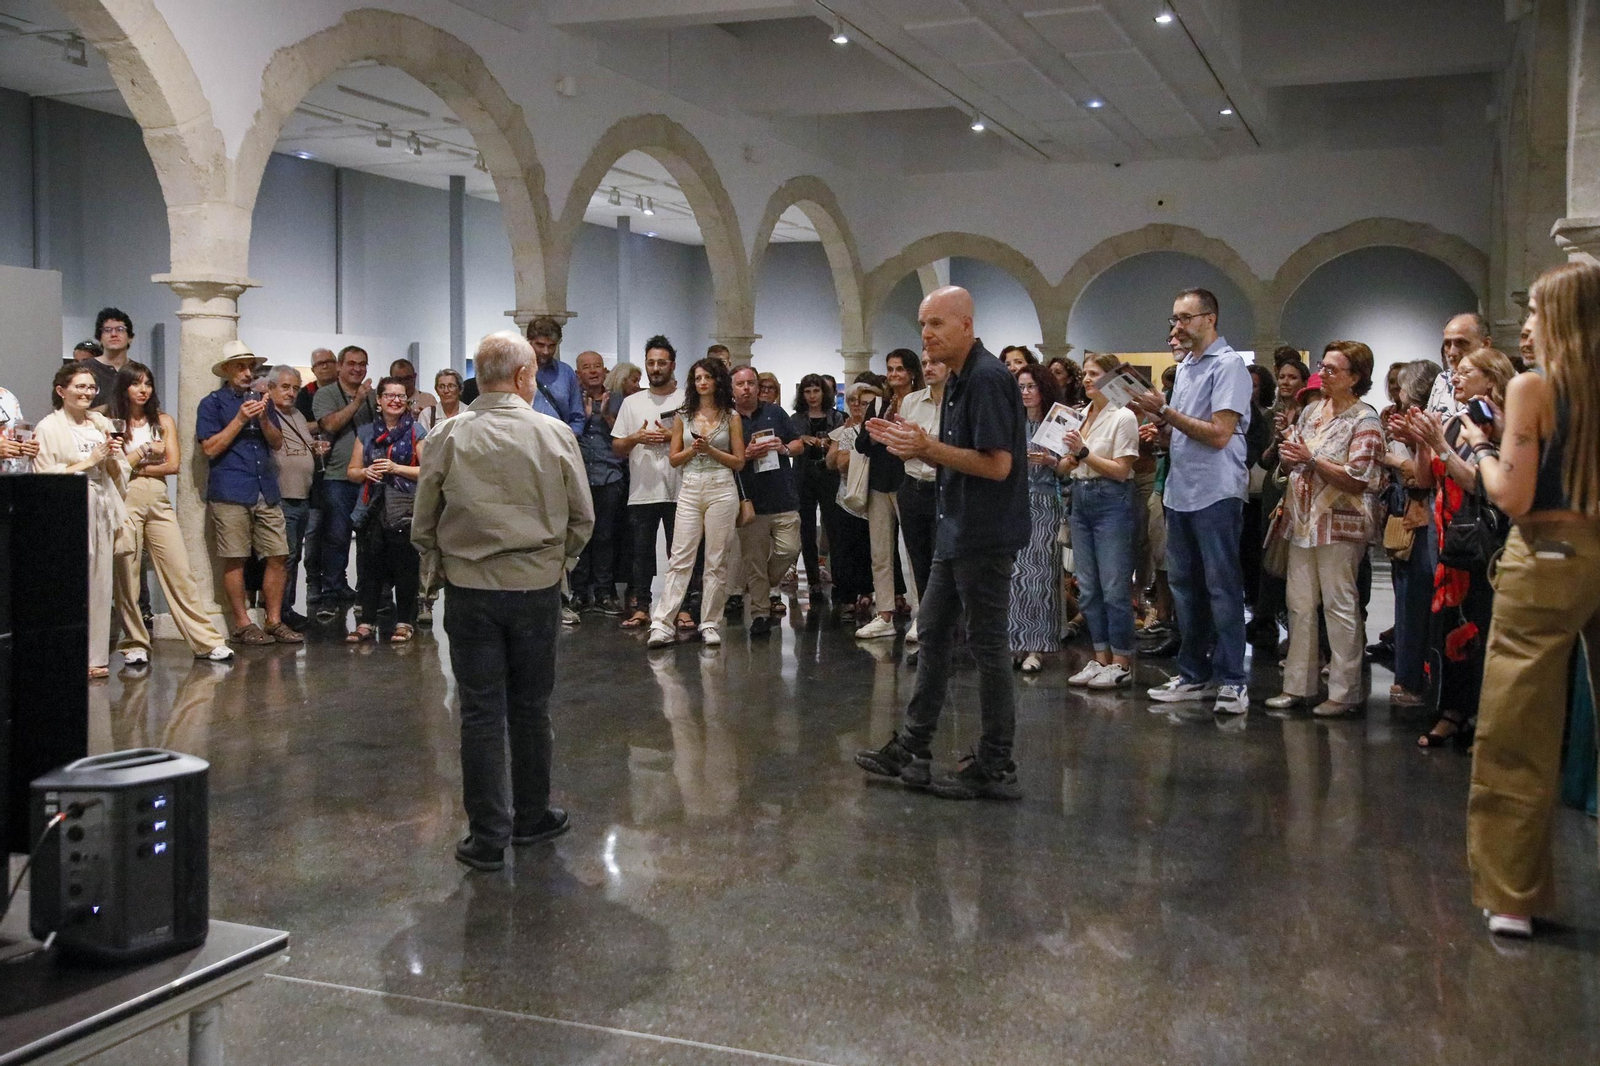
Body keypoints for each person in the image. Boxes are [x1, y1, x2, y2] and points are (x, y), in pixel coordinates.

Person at [412, 330, 593, 872]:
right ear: (522, 377)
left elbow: (424, 519)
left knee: (481, 712)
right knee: (531, 707)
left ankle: (488, 834)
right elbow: (582, 517)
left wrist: (441, 564)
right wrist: (558, 563)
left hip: (470, 592)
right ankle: (532, 815)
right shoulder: (554, 433)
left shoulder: (446, 435)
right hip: (535, 588)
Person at [1461, 261, 1600, 939]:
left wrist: (1484, 452)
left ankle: (1512, 894)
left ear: (1565, 319)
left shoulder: (1533, 389)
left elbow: (1512, 496)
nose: (1529, 326)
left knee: (1519, 728)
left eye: (1539, 313)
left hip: (1546, 557)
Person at [855, 285, 1029, 801]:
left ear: (966, 325)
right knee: (931, 633)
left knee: (988, 646)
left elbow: (998, 465)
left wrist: (928, 447)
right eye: (922, 324)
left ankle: (997, 764)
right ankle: (913, 746)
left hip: (984, 532)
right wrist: (917, 446)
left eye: (936, 324)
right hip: (957, 529)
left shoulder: (988, 379)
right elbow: (960, 454)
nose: (926, 336)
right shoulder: (956, 380)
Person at [1130, 288, 1254, 716]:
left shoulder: (1230, 365)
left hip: (1216, 492)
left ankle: (1234, 680)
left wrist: (1165, 414)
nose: (1176, 326)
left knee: (1222, 588)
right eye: (1174, 318)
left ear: (1210, 319)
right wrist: (1161, 435)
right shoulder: (1185, 368)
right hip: (1181, 491)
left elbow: (1219, 434)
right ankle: (1194, 673)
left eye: (1185, 318)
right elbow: (1188, 430)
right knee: (1185, 587)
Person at [1398, 347, 1517, 748]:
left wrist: (1442, 446)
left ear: (1492, 378)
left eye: (1467, 372)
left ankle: (1480, 716)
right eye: (1456, 373)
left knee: (1479, 628)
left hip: (1484, 542)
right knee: (1448, 627)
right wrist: (1420, 443)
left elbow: (1480, 484)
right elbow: (1423, 478)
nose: (1456, 377)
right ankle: (1450, 711)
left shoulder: (1500, 426)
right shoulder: (1452, 424)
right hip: (1449, 541)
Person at [1264, 341, 1385, 717]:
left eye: (1333, 369)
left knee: (1340, 605)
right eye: (1323, 366)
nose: (1324, 373)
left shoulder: (1365, 420)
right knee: (1299, 605)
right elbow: (1294, 458)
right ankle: (1298, 685)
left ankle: (1344, 691)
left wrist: (1311, 459)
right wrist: (1289, 456)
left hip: (1340, 525)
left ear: (1355, 377)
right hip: (1301, 522)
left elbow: (1360, 478)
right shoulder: (1313, 411)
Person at [108, 362, 232, 664]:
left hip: (158, 497)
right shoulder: (111, 422)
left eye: (147, 383)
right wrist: (143, 456)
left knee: (180, 571)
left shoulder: (163, 420)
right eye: (136, 383)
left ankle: (206, 641)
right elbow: (111, 466)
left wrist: (135, 463)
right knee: (128, 573)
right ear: (124, 387)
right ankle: (135, 642)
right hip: (124, 498)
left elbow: (173, 465)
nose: (143, 389)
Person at [197, 340, 303, 647]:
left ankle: (273, 620)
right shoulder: (212, 403)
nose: (247, 373)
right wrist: (240, 419)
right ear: (227, 370)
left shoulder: (263, 400)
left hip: (265, 488)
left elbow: (277, 442)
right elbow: (210, 448)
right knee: (235, 557)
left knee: (279, 554)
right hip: (231, 489)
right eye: (241, 367)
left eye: (250, 367)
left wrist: (264, 418)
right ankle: (242, 623)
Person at [34, 363, 128, 679]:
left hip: (101, 503)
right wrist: (90, 460)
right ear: (62, 391)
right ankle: (67, 652)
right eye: (79, 386)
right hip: (70, 507)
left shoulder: (100, 423)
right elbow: (44, 474)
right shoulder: (48, 427)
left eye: (91, 387)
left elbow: (118, 467)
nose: (87, 393)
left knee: (102, 581)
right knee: (73, 579)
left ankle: (95, 656)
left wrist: (114, 455)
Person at [647, 358, 745, 648]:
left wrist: (711, 449)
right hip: (690, 487)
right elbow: (674, 459)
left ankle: (710, 621)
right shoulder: (683, 416)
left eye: (707, 377)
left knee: (716, 559)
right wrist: (694, 449)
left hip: (721, 487)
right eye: (698, 378)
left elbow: (739, 462)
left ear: (717, 381)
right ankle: (662, 622)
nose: (702, 382)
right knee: (680, 558)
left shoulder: (731, 417)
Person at [1062, 353, 1142, 687]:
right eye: (1085, 373)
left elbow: (1121, 471)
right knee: (1089, 586)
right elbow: (1068, 466)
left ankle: (1121, 659)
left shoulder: (1123, 417)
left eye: (1095, 373)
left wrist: (1083, 453)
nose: (1087, 379)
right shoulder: (1078, 416)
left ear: (1112, 379)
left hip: (1111, 499)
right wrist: (1060, 460)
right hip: (1080, 497)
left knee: (1113, 586)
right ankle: (1100, 656)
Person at [346, 377, 426, 643]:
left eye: (401, 397)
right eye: (389, 396)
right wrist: (365, 471)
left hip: (404, 506)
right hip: (372, 507)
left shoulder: (416, 431)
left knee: (406, 567)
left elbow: (428, 470)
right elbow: (351, 472)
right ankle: (366, 622)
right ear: (378, 401)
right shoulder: (366, 432)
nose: (395, 401)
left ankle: (404, 621)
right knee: (370, 567)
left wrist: (395, 468)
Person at [613, 337, 685, 629]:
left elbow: (698, 440)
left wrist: (672, 438)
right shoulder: (632, 403)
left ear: (672, 366)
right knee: (640, 553)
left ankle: (680, 608)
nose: (655, 368)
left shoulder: (685, 400)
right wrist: (636, 438)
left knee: (678, 553)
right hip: (642, 490)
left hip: (679, 488)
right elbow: (618, 446)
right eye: (651, 363)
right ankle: (641, 606)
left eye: (661, 363)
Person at [1381, 360, 1441, 708]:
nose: (1396, 392)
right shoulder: (1400, 421)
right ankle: (1409, 676)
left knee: (1419, 596)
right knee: (1406, 596)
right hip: (1405, 510)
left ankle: (1417, 680)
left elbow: (1420, 475)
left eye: (1400, 385)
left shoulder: (1422, 423)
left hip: (1424, 512)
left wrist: (1396, 459)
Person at [854, 349, 922, 639]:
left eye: (900, 369)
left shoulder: (921, 402)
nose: (894, 375)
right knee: (880, 552)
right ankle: (884, 614)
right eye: (890, 369)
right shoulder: (879, 403)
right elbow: (861, 444)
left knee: (916, 551)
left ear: (911, 373)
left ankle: (922, 615)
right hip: (880, 483)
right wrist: (874, 432)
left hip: (908, 481)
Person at [731, 365, 802, 636]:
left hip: (783, 497)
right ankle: (760, 614)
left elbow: (798, 444)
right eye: (741, 384)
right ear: (733, 389)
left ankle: (756, 585)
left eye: (751, 383)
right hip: (750, 501)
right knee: (754, 561)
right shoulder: (728, 418)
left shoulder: (775, 412)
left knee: (789, 549)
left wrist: (782, 448)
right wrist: (745, 454)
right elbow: (724, 458)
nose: (747, 388)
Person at [1009, 364, 1069, 673]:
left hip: (1045, 501)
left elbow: (1066, 468)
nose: (1026, 392)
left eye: (1031, 386)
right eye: (1021, 387)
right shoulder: (1012, 421)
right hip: (1015, 501)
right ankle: (1016, 641)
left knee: (1040, 578)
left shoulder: (1058, 421)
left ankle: (1037, 646)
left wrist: (1050, 460)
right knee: (1015, 577)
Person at [312, 345, 376, 607]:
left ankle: (365, 588)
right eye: (351, 363)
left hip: (367, 476)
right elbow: (330, 425)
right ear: (339, 366)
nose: (357, 368)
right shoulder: (325, 395)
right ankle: (332, 588)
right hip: (337, 477)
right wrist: (358, 401)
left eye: (362, 364)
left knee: (367, 538)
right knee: (337, 536)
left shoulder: (373, 397)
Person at [266, 365, 322, 630]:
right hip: (281, 497)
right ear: (271, 388)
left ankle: (287, 607)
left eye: (295, 388)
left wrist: (316, 447)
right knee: (282, 557)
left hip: (302, 496)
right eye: (285, 387)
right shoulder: (266, 415)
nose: (291, 393)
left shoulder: (298, 415)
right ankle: (278, 613)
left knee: (294, 556)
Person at [895, 357, 947, 636]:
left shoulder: (958, 401)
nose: (929, 367)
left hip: (943, 487)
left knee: (943, 562)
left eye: (935, 362)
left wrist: (926, 445)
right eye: (925, 362)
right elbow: (903, 447)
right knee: (919, 562)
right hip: (912, 485)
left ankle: (945, 627)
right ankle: (927, 625)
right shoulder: (911, 401)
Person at [571, 351, 625, 615]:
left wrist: (605, 416)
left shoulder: (617, 399)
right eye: (586, 367)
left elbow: (624, 438)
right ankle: (579, 593)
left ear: (604, 371)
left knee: (605, 536)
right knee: (580, 537)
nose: (592, 371)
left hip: (609, 474)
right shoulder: (571, 400)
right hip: (578, 476)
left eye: (597, 367)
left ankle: (604, 592)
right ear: (577, 372)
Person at [790, 373, 845, 604]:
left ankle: (840, 577)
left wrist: (827, 443)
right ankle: (812, 579)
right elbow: (789, 442)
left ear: (824, 392)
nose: (812, 396)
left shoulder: (837, 417)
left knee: (833, 526)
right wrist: (803, 439)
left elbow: (844, 442)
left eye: (816, 390)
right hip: (803, 475)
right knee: (807, 528)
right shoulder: (795, 419)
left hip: (829, 474)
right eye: (808, 391)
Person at [826, 382, 878, 619]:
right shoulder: (846, 431)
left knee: (872, 550)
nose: (859, 407)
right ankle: (847, 597)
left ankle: (868, 593)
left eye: (865, 402)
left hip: (876, 498)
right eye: (855, 402)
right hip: (848, 497)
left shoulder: (883, 429)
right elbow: (837, 463)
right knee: (846, 549)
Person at [527, 316, 585, 435]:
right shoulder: (517, 370)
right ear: (529, 342)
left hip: (560, 442)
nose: (546, 351)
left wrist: (569, 438)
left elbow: (577, 417)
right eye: (540, 345)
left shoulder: (566, 372)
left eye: (551, 346)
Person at [1428, 313, 1491, 418]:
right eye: (1447, 344)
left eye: (1461, 343)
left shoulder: (1504, 381)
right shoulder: (1442, 380)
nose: (1452, 352)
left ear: (1485, 344)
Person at [84, 308, 134, 404]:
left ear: (130, 338)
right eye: (107, 330)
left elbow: (151, 409)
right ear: (99, 338)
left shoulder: (138, 371)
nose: (114, 334)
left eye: (120, 329)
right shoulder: (84, 369)